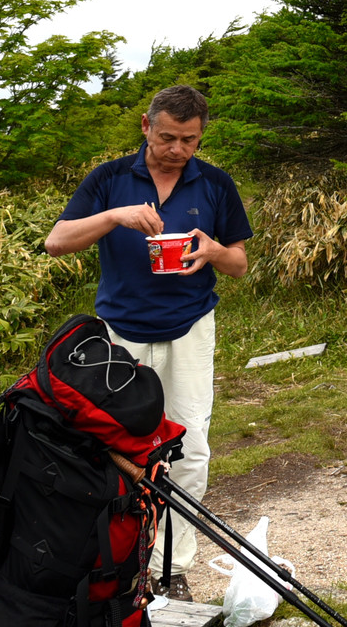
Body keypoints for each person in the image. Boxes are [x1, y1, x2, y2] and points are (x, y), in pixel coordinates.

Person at [45, 85, 252, 600]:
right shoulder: (110, 178)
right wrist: (114, 216)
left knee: (190, 447)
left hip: (189, 328)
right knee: (117, 450)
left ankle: (172, 567)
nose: (177, 149)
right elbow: (56, 242)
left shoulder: (215, 184)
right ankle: (120, 561)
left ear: (201, 136)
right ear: (145, 126)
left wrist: (212, 252)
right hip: (118, 333)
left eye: (189, 140)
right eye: (167, 137)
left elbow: (240, 264)